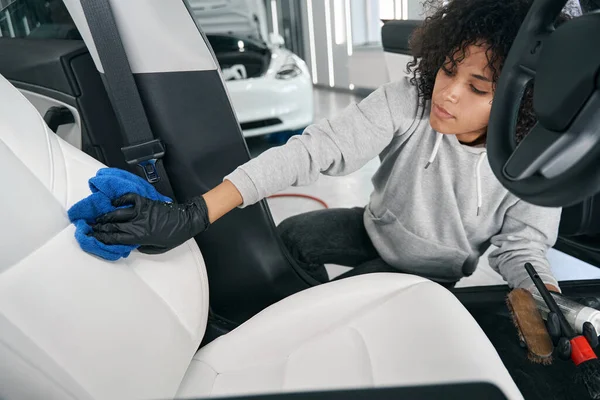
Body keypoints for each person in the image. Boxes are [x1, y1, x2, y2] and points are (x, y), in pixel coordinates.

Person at [92, 0, 569, 293]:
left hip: (433, 271)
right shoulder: (413, 99)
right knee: (291, 239)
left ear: (521, 98)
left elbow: (522, 246)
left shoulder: (534, 160)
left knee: (341, 304)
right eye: (447, 69)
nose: (448, 93)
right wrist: (192, 213)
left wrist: (546, 298)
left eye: (478, 88)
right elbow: (312, 149)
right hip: (373, 227)